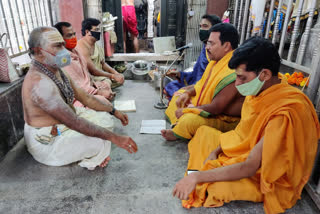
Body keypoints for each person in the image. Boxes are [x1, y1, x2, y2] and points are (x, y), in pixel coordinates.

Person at [172, 37, 320, 213]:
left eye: (241, 77)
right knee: (203, 134)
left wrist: (198, 177)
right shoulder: (260, 90)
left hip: (265, 175)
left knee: (212, 188)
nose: (237, 84)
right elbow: (241, 135)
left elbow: (250, 166)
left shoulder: (285, 111)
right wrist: (216, 152)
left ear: (264, 74)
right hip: (244, 153)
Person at [22, 27, 137, 170]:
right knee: (101, 141)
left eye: (63, 44)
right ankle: (91, 158)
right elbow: (74, 122)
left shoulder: (56, 70)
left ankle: (91, 152)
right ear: (39, 51)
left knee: (106, 122)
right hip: (47, 140)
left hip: (64, 123)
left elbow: (86, 98)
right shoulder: (39, 83)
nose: (63, 50)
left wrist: (115, 111)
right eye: (57, 46)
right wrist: (116, 138)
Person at [162, 23, 244, 141]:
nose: (206, 47)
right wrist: (187, 93)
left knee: (190, 121)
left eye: (211, 44)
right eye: (207, 43)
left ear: (226, 46)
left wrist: (189, 110)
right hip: (208, 108)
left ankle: (179, 129)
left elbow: (216, 108)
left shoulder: (233, 72)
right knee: (178, 97)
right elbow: (201, 85)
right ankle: (179, 125)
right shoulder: (215, 62)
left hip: (225, 119)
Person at [54, 22, 113, 107]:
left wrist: (96, 84)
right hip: (80, 96)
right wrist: (98, 92)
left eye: (74, 34)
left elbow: (87, 73)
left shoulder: (75, 51)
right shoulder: (63, 59)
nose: (74, 37)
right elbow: (76, 87)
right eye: (69, 35)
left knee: (106, 84)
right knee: (104, 102)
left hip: (89, 85)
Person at [164, 15, 221, 100]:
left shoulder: (218, 52)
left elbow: (210, 81)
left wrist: (189, 90)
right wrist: (179, 74)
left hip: (205, 90)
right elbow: (196, 74)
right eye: (200, 26)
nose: (201, 30)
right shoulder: (204, 48)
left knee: (179, 95)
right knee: (171, 86)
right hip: (195, 84)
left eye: (205, 26)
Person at [77, 18, 124, 91]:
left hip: (99, 75)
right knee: (107, 82)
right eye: (96, 30)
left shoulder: (97, 46)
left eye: (99, 30)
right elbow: (93, 71)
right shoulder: (82, 46)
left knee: (116, 79)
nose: (99, 32)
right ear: (87, 32)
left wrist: (116, 73)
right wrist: (112, 76)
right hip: (89, 77)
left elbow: (103, 64)